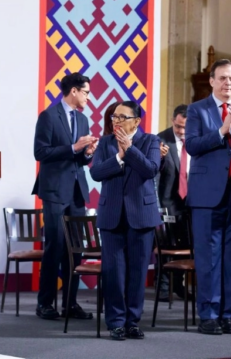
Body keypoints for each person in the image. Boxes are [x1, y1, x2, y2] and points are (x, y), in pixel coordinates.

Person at [185, 59, 231, 335]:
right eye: (223, 78)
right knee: (208, 259)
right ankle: (208, 315)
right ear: (212, 82)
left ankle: (228, 315)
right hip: (207, 195)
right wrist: (221, 131)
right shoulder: (197, 110)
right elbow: (192, 146)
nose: (228, 83)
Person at [90, 101, 161, 341]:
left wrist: (129, 150)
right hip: (111, 215)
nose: (116, 121)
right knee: (113, 272)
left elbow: (151, 169)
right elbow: (96, 172)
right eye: (114, 117)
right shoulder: (105, 143)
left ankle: (132, 321)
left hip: (141, 215)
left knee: (138, 272)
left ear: (136, 121)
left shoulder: (150, 141)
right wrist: (119, 156)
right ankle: (116, 323)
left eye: (122, 117)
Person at [32, 72, 98, 321]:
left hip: (76, 192)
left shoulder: (82, 120)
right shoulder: (48, 116)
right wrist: (73, 147)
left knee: (75, 249)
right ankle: (45, 303)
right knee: (55, 246)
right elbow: (40, 152)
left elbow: (80, 159)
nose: (88, 98)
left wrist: (88, 153)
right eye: (86, 92)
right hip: (54, 190)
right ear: (74, 91)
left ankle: (70, 303)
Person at [156, 104, 191, 301]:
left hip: (191, 203)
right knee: (166, 246)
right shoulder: (160, 140)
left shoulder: (197, 141)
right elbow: (154, 174)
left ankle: (179, 284)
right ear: (172, 121)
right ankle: (163, 288)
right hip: (167, 201)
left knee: (187, 244)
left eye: (185, 128)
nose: (182, 131)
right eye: (178, 127)